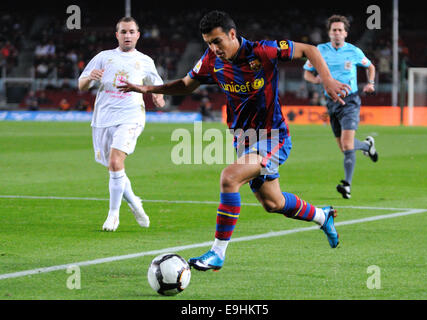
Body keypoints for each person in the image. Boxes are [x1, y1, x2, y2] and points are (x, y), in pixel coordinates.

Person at [118, 11, 350, 271]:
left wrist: (327, 80)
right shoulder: (211, 60)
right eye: (208, 43)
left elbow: (309, 50)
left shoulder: (263, 51)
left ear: (232, 34)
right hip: (243, 139)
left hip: (273, 136)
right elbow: (186, 84)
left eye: (217, 41)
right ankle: (323, 216)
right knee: (273, 203)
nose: (213, 48)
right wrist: (149, 89)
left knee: (229, 177)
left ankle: (217, 253)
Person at [78, 17, 165, 231]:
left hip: (131, 116)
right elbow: (81, 85)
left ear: (138, 35)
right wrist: (90, 77)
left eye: (131, 31)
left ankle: (113, 215)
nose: (127, 35)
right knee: (113, 167)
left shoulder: (145, 61)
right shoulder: (103, 57)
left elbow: (157, 85)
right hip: (103, 119)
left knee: (116, 162)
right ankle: (135, 201)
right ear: (117, 35)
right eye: (123, 32)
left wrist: (158, 97)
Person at [303, 15, 378, 200]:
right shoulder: (319, 50)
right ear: (329, 33)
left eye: (340, 30)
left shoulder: (353, 51)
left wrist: (370, 83)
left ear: (345, 33)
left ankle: (347, 185)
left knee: (347, 144)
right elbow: (307, 73)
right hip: (331, 102)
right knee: (345, 147)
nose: (337, 33)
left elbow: (370, 67)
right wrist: (316, 79)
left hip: (350, 101)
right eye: (334, 30)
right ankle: (367, 146)